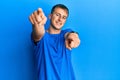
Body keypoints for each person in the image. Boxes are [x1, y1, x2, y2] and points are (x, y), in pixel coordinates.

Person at [29, 4, 80, 80]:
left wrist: (74, 38)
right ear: (50, 16)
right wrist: (37, 24)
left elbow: (71, 35)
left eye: (64, 17)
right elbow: (38, 33)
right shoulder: (43, 37)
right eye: (57, 15)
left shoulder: (66, 34)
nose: (60, 19)